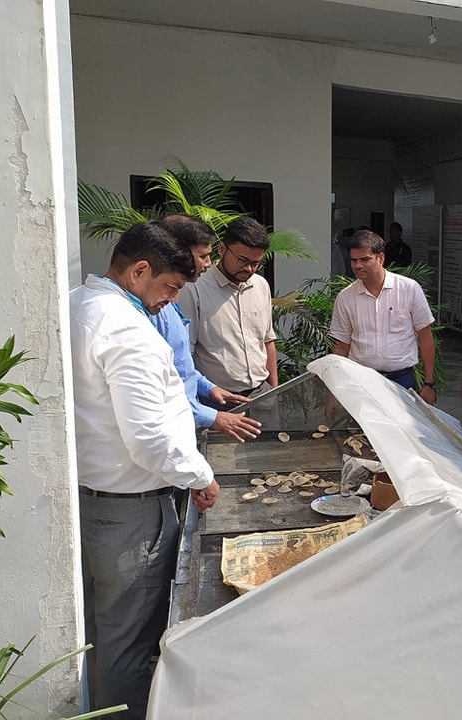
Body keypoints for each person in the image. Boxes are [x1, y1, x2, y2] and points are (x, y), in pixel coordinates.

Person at [70, 221, 220, 720]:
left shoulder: (77, 305)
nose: (171, 301)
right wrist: (200, 475)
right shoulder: (128, 331)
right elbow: (150, 438)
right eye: (170, 288)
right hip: (131, 514)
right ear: (138, 271)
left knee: (103, 632)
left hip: (94, 498)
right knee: (130, 643)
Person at [156, 214, 262, 442]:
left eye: (255, 263)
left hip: (251, 395)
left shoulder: (260, 285)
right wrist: (211, 415)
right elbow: (167, 377)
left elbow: (181, 364)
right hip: (207, 409)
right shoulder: (160, 304)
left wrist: (207, 387)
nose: (207, 263)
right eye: (203, 256)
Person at [329, 229, 436, 405]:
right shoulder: (346, 297)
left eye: (365, 259)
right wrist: (335, 390)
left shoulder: (408, 289)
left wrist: (429, 383)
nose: (358, 265)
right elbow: (342, 346)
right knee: (364, 424)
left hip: (402, 380)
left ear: (380, 258)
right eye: (354, 260)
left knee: (402, 423)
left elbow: (425, 337)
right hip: (362, 381)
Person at [178, 216, 278, 398]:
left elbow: (267, 341)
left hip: (263, 393)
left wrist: (275, 391)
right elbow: (185, 353)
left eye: (255, 263)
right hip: (218, 398)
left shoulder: (261, 285)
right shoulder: (194, 288)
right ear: (222, 249)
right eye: (243, 260)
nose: (249, 269)